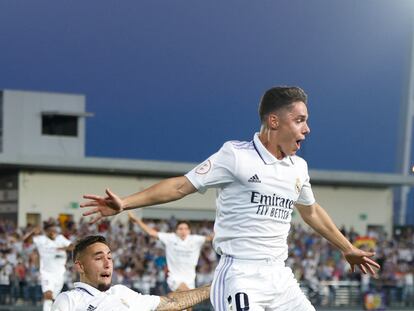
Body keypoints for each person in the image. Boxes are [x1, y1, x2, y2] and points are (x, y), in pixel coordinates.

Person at [80, 86, 381, 311]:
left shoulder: (297, 167)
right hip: (240, 275)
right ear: (274, 122)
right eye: (300, 120)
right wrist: (125, 203)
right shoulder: (236, 155)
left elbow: (311, 211)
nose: (307, 129)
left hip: (281, 276)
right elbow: (181, 186)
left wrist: (347, 248)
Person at [51, 235, 210, 311]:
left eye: (110, 257)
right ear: (80, 266)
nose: (108, 264)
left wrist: (214, 287)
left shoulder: (123, 293)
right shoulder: (68, 300)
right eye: (99, 258)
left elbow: (172, 302)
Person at [128, 212, 213, 293]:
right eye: (180, 229)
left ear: (189, 231)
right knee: (186, 293)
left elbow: (210, 237)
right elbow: (151, 233)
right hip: (174, 278)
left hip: (190, 279)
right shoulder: (170, 238)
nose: (183, 231)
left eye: (186, 229)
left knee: (188, 306)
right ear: (176, 230)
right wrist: (137, 220)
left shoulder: (195, 239)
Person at [23, 221, 73, 311]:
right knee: (48, 295)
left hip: (60, 273)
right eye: (51, 229)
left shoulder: (60, 238)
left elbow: (73, 246)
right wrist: (33, 232)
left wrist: (63, 248)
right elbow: (26, 241)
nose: (53, 231)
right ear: (46, 231)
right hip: (47, 273)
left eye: (54, 229)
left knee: (54, 298)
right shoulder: (41, 239)